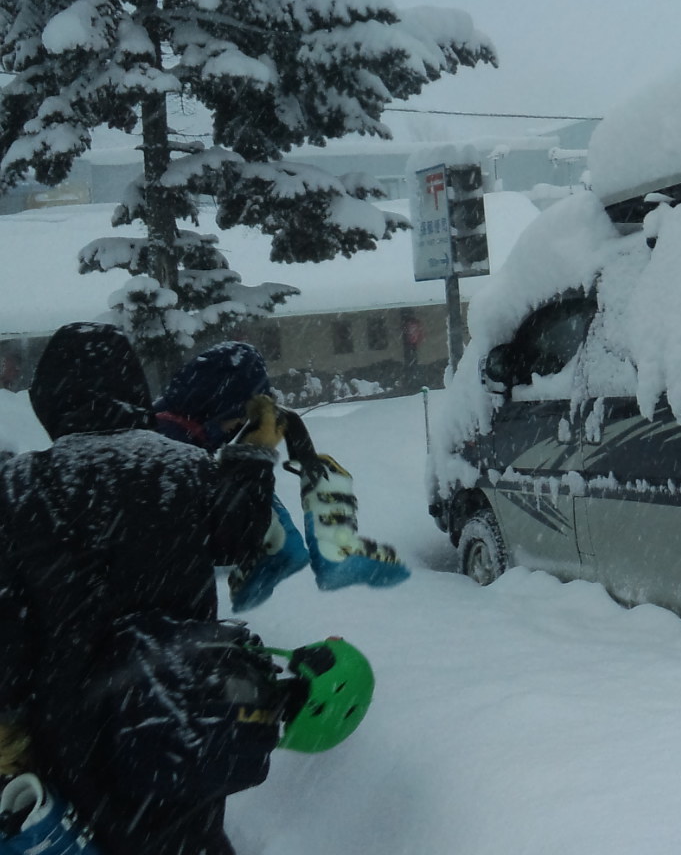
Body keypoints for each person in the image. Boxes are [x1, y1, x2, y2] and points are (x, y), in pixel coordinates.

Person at [0, 324, 284, 855]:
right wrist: (252, 457)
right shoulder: (182, 468)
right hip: (183, 704)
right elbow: (241, 534)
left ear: (50, 398)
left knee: (100, 838)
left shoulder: (21, 487)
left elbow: (9, 630)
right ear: (132, 389)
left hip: (74, 724)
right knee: (187, 832)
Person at [152, 341, 409, 609]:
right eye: (241, 414)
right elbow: (224, 537)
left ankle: (293, 548)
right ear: (218, 402)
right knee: (237, 479)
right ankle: (317, 548)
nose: (241, 424)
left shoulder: (172, 434)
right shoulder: (170, 448)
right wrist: (253, 455)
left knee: (236, 479)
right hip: (161, 622)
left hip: (165, 617)